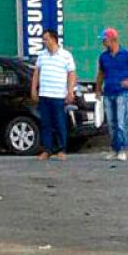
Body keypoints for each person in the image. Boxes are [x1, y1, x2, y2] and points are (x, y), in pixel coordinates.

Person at [95, 27, 128, 161]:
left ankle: (122, 149)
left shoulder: (126, 54)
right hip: (108, 92)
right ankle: (114, 148)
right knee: (111, 123)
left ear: (111, 39)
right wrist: (98, 89)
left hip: (121, 92)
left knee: (121, 122)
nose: (103, 42)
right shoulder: (103, 56)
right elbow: (101, 73)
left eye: (104, 40)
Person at [30, 29, 75, 160]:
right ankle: (47, 150)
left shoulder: (66, 55)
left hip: (58, 95)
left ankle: (61, 149)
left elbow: (71, 74)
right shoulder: (42, 56)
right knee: (46, 123)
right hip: (44, 94)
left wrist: (70, 91)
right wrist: (34, 89)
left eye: (46, 39)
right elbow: (36, 73)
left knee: (59, 123)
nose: (44, 42)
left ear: (53, 39)